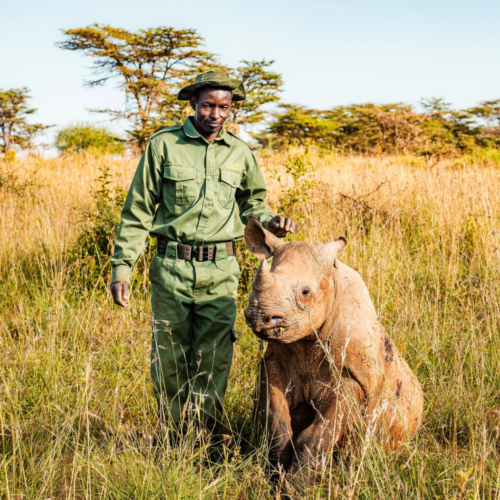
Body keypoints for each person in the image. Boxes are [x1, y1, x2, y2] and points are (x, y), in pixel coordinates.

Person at [110, 71, 295, 429]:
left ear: (231, 110)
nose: (215, 114)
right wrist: (122, 268)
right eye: (208, 105)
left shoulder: (240, 153)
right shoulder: (163, 145)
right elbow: (138, 210)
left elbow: (253, 203)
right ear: (193, 103)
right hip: (171, 268)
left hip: (221, 271)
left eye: (224, 107)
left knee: (215, 357)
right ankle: (175, 437)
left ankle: (205, 437)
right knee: (169, 356)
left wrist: (270, 221)